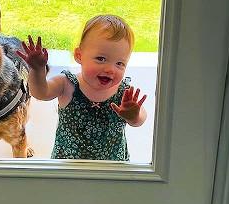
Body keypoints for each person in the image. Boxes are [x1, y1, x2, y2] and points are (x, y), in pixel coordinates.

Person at [16, 15, 148, 161]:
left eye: (119, 63)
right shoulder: (67, 84)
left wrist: (133, 115)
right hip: (70, 166)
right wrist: (37, 70)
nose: (110, 69)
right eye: (101, 59)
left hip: (112, 167)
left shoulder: (124, 92)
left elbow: (141, 119)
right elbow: (41, 93)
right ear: (79, 55)